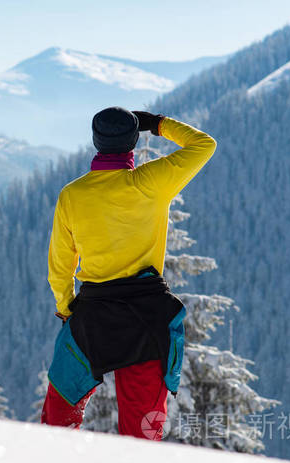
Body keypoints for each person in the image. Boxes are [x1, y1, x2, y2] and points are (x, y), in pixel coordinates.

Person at [41, 107, 217, 439]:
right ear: (133, 142)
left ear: (95, 142)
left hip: (92, 316)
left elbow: (60, 268)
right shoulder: (152, 183)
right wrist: (158, 125)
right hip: (147, 317)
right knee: (141, 434)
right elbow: (204, 144)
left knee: (58, 418)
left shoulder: (73, 195)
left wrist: (66, 309)